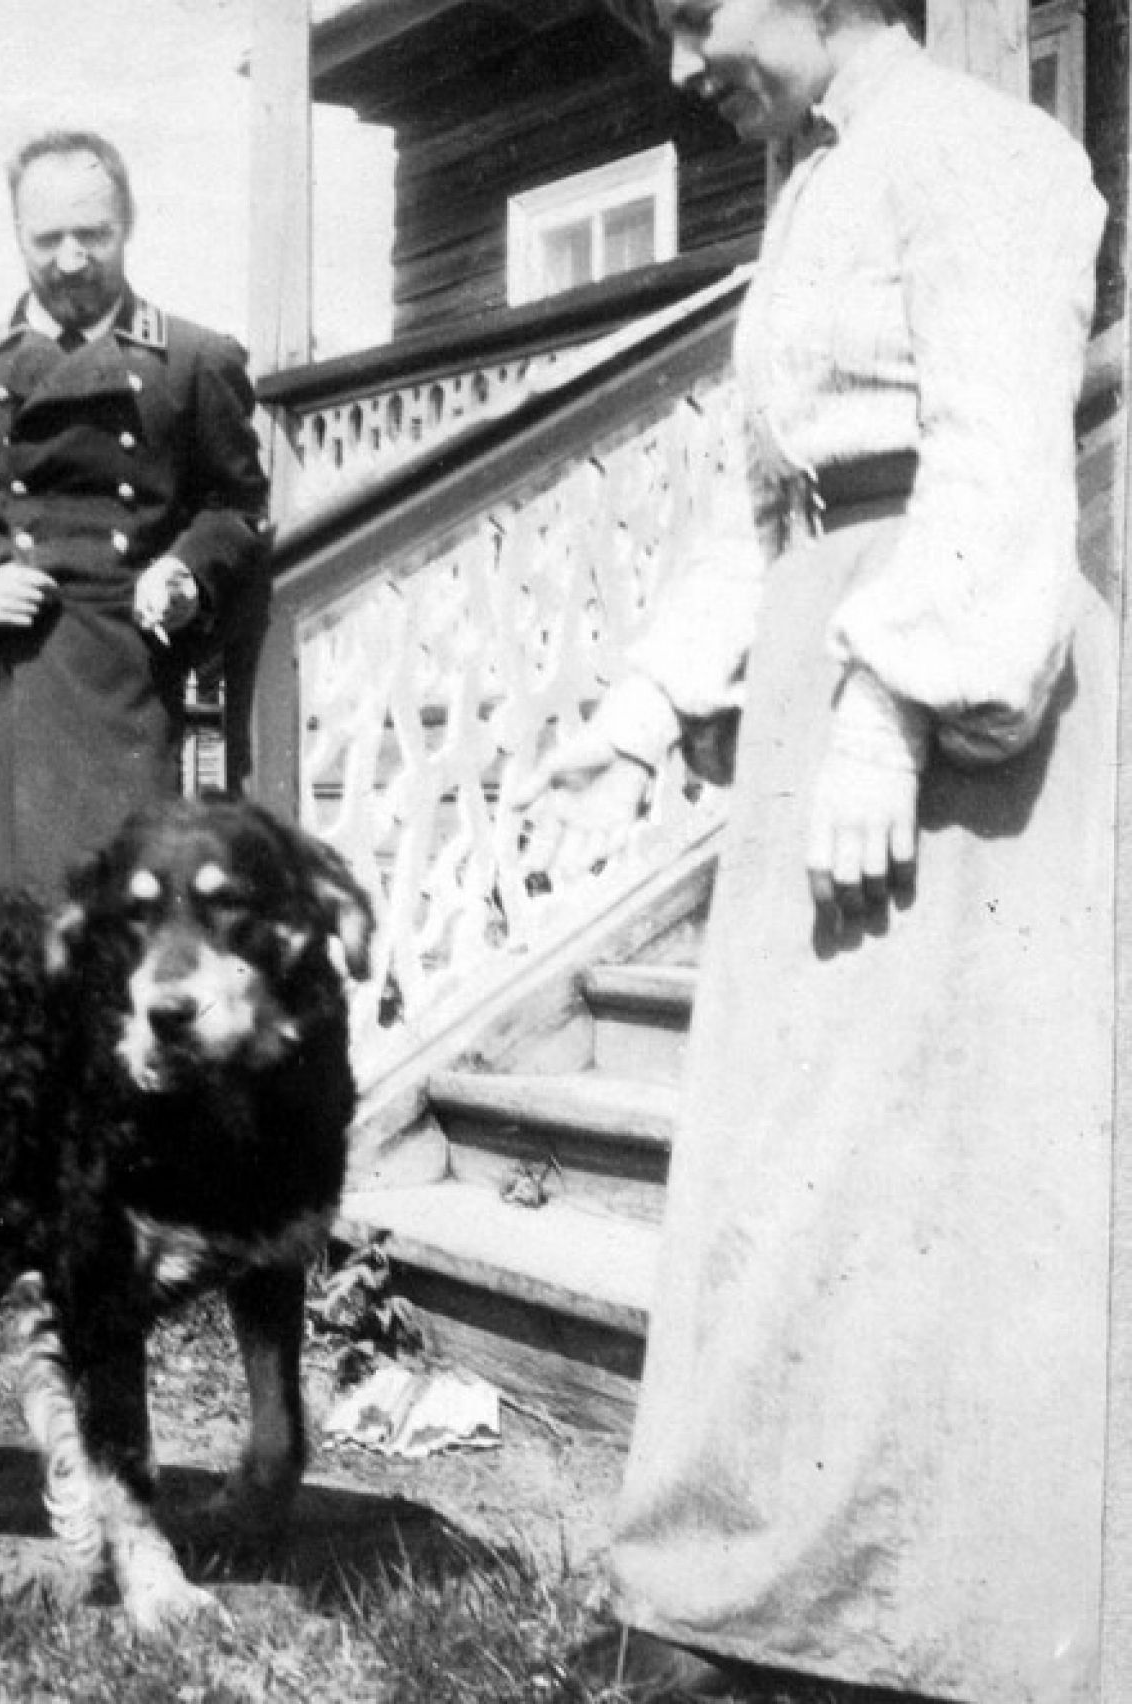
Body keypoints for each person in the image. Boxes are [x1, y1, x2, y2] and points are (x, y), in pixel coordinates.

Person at [517, 4, 1110, 1700]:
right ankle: (785, 1607)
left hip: (938, 705)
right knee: (790, 1168)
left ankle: (941, 1620)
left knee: (921, 1165)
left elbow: (1000, 449)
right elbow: (759, 494)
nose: (681, 57)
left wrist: (894, 707)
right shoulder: (806, 195)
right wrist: (646, 695)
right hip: (815, 665)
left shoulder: (989, 152)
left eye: (699, 9)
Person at [0, 129, 270, 899]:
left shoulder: (193, 361)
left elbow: (237, 508)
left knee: (103, 940)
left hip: (119, 693)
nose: (72, 259)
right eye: (48, 238)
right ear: (17, 234)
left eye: (94, 234)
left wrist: (187, 571)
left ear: (129, 225)